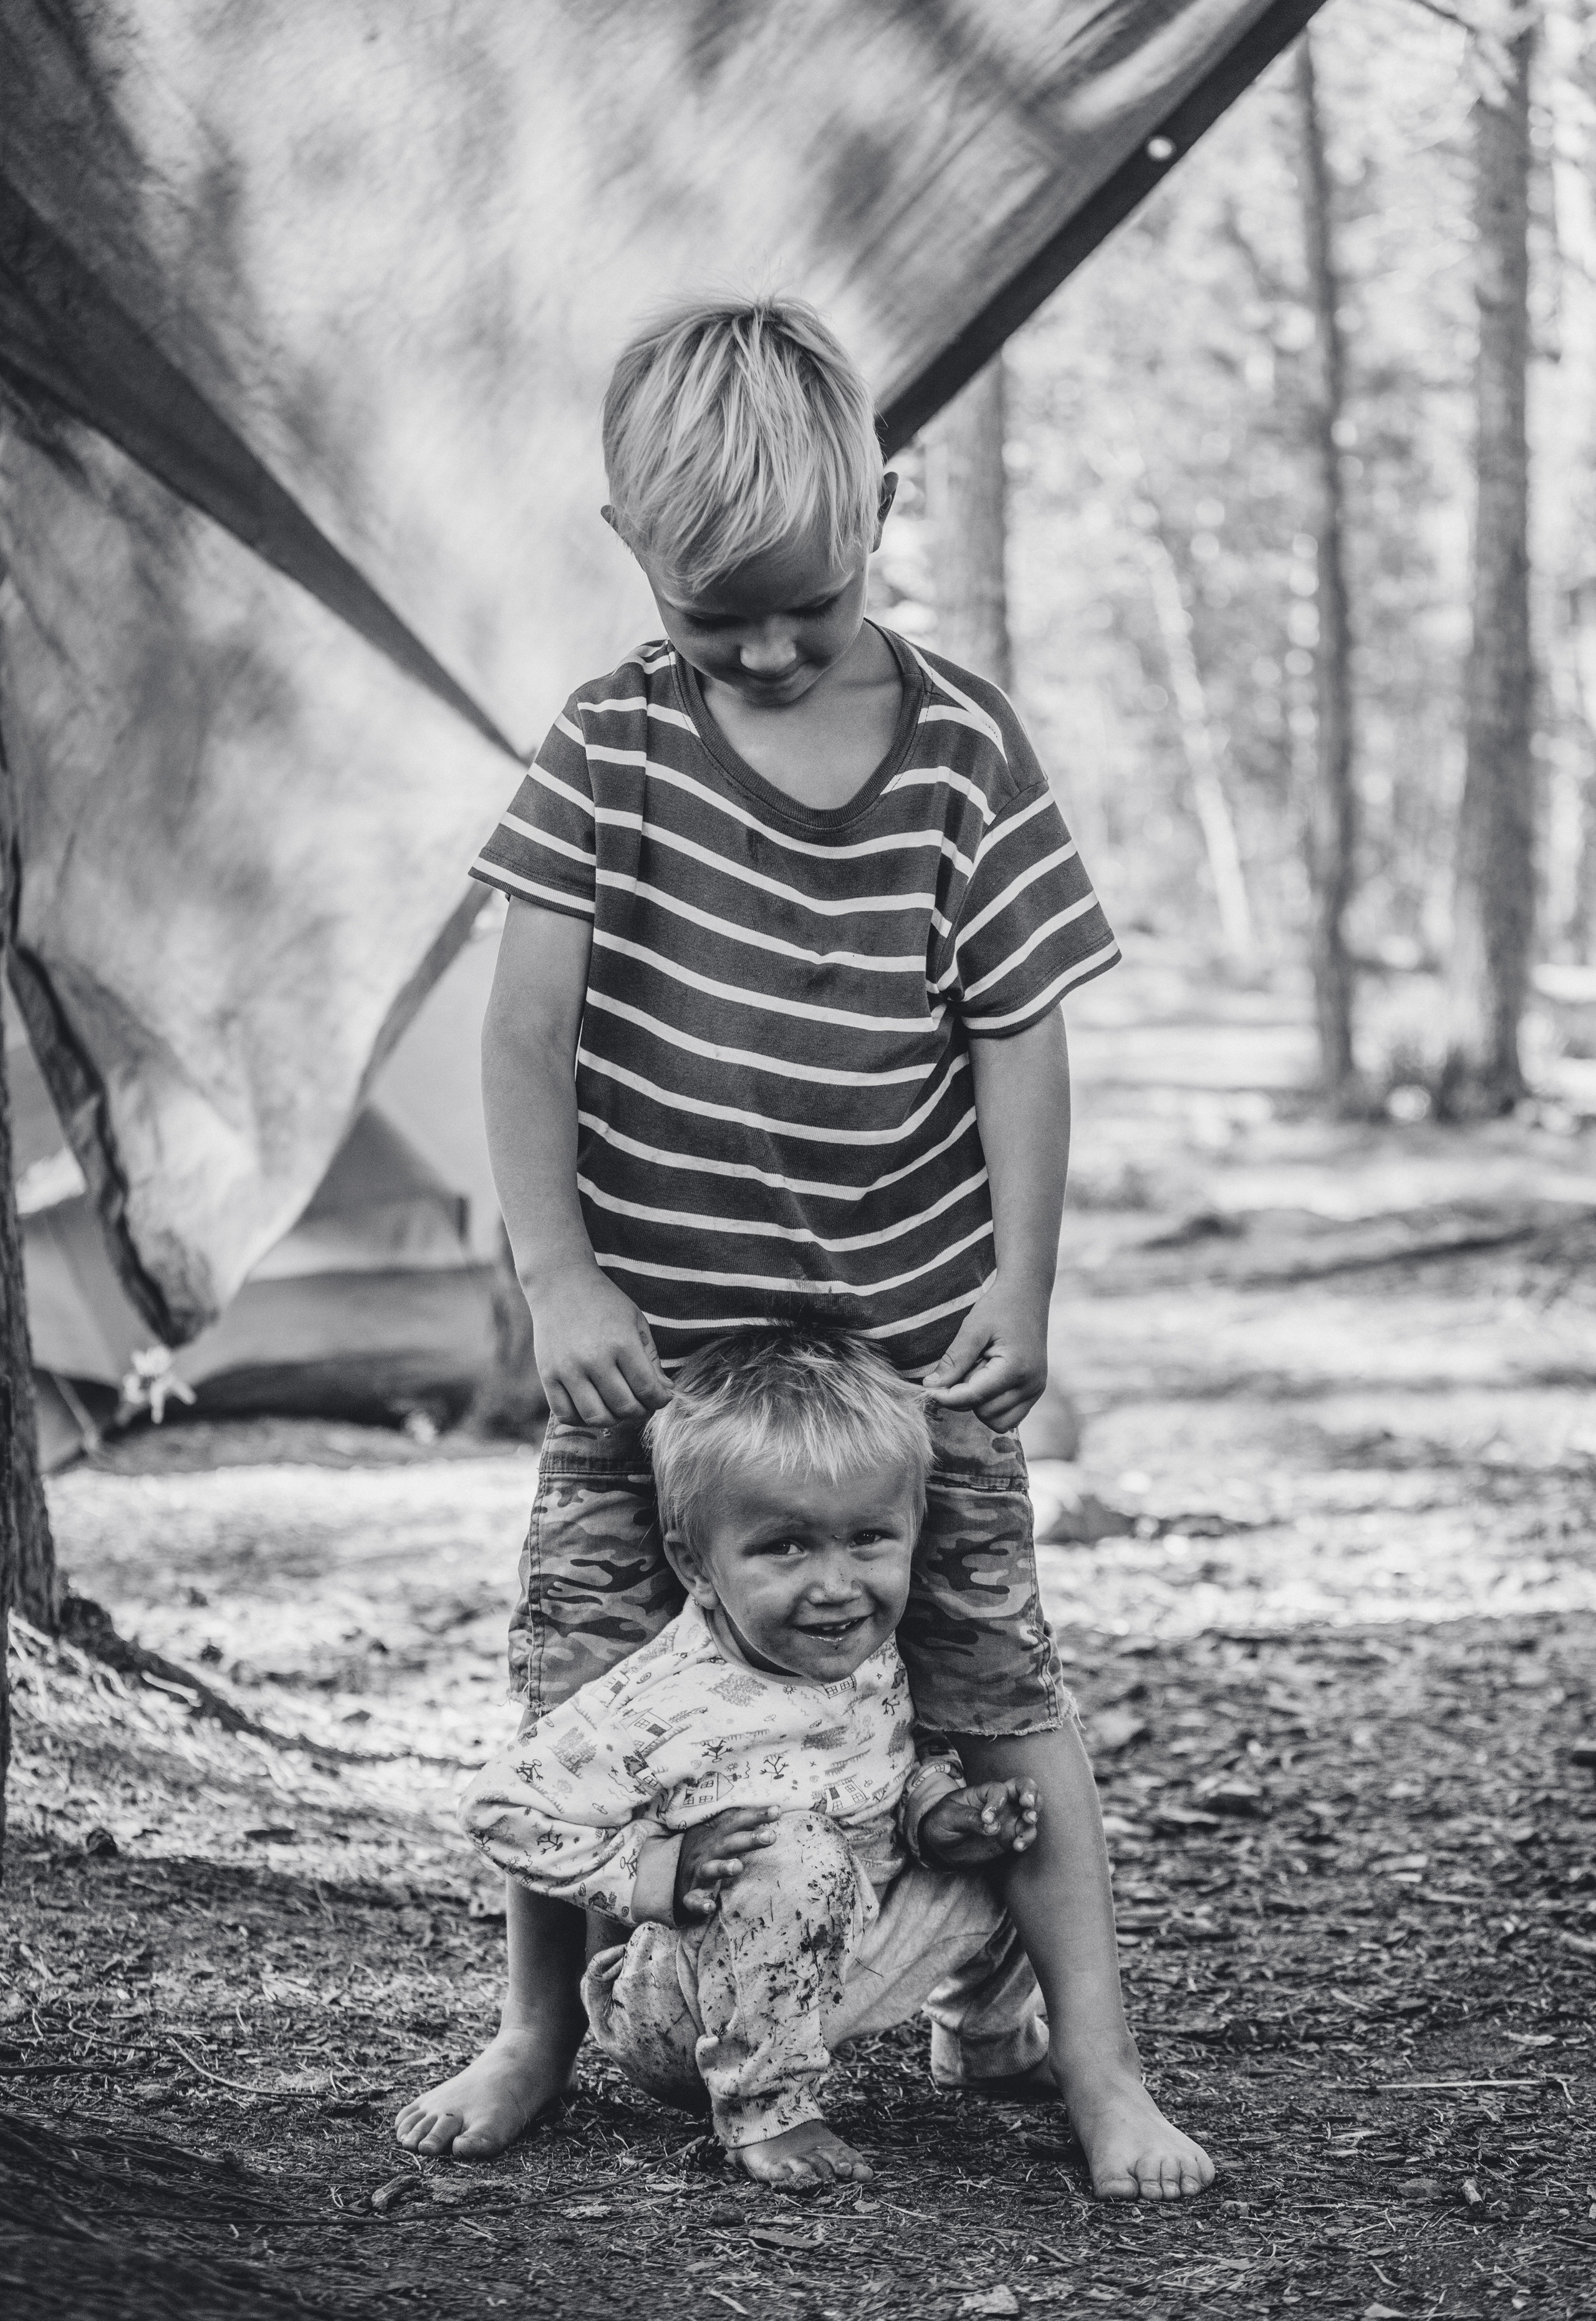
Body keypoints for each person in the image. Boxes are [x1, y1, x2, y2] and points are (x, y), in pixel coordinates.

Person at [397, 292, 1213, 2199]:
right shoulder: (610, 739)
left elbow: (1019, 1023)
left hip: (913, 1359)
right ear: (634, 562)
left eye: (808, 607)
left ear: (885, 513)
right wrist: (557, 1270)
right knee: (582, 1687)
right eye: (714, 618)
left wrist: (1022, 1283)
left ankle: (1091, 2061)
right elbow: (523, 1030)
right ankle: (534, 2024)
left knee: (996, 1690)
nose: (763, 651)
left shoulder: (960, 747)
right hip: (656, 1364)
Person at [460, 1325, 1053, 2190]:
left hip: (843, 1954)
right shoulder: (660, 1702)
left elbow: (872, 1773)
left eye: (868, 1540)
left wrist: (936, 1813)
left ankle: (990, 2042)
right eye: (786, 1546)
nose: (835, 1584)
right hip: (684, 2014)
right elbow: (499, 1808)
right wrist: (654, 1871)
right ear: (695, 1566)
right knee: (794, 1850)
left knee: (1015, 1822)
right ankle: (765, 2113)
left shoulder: (867, 1649)